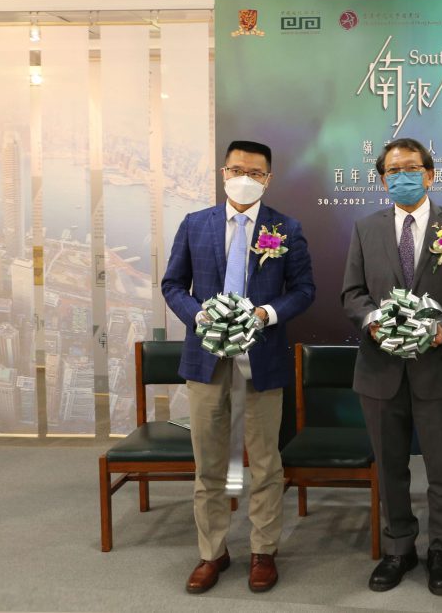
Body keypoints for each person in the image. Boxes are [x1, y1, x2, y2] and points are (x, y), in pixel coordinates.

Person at [162, 140, 316, 594]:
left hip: (262, 358)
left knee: (265, 461)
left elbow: (304, 289)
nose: (245, 176)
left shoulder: (286, 227)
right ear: (223, 172)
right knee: (209, 461)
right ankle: (212, 552)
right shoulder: (195, 224)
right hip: (205, 357)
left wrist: (268, 313)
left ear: (268, 178)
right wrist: (197, 314)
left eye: (256, 171)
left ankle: (264, 551)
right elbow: (173, 284)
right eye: (237, 169)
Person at [341, 138, 442, 596]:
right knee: (391, 466)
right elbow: (352, 293)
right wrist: (374, 321)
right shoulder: (366, 229)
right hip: (380, 369)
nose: (401, 175)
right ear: (383, 179)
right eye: (392, 170)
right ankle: (398, 548)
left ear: (430, 173)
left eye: (411, 167)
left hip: (440, 367)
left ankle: (441, 551)